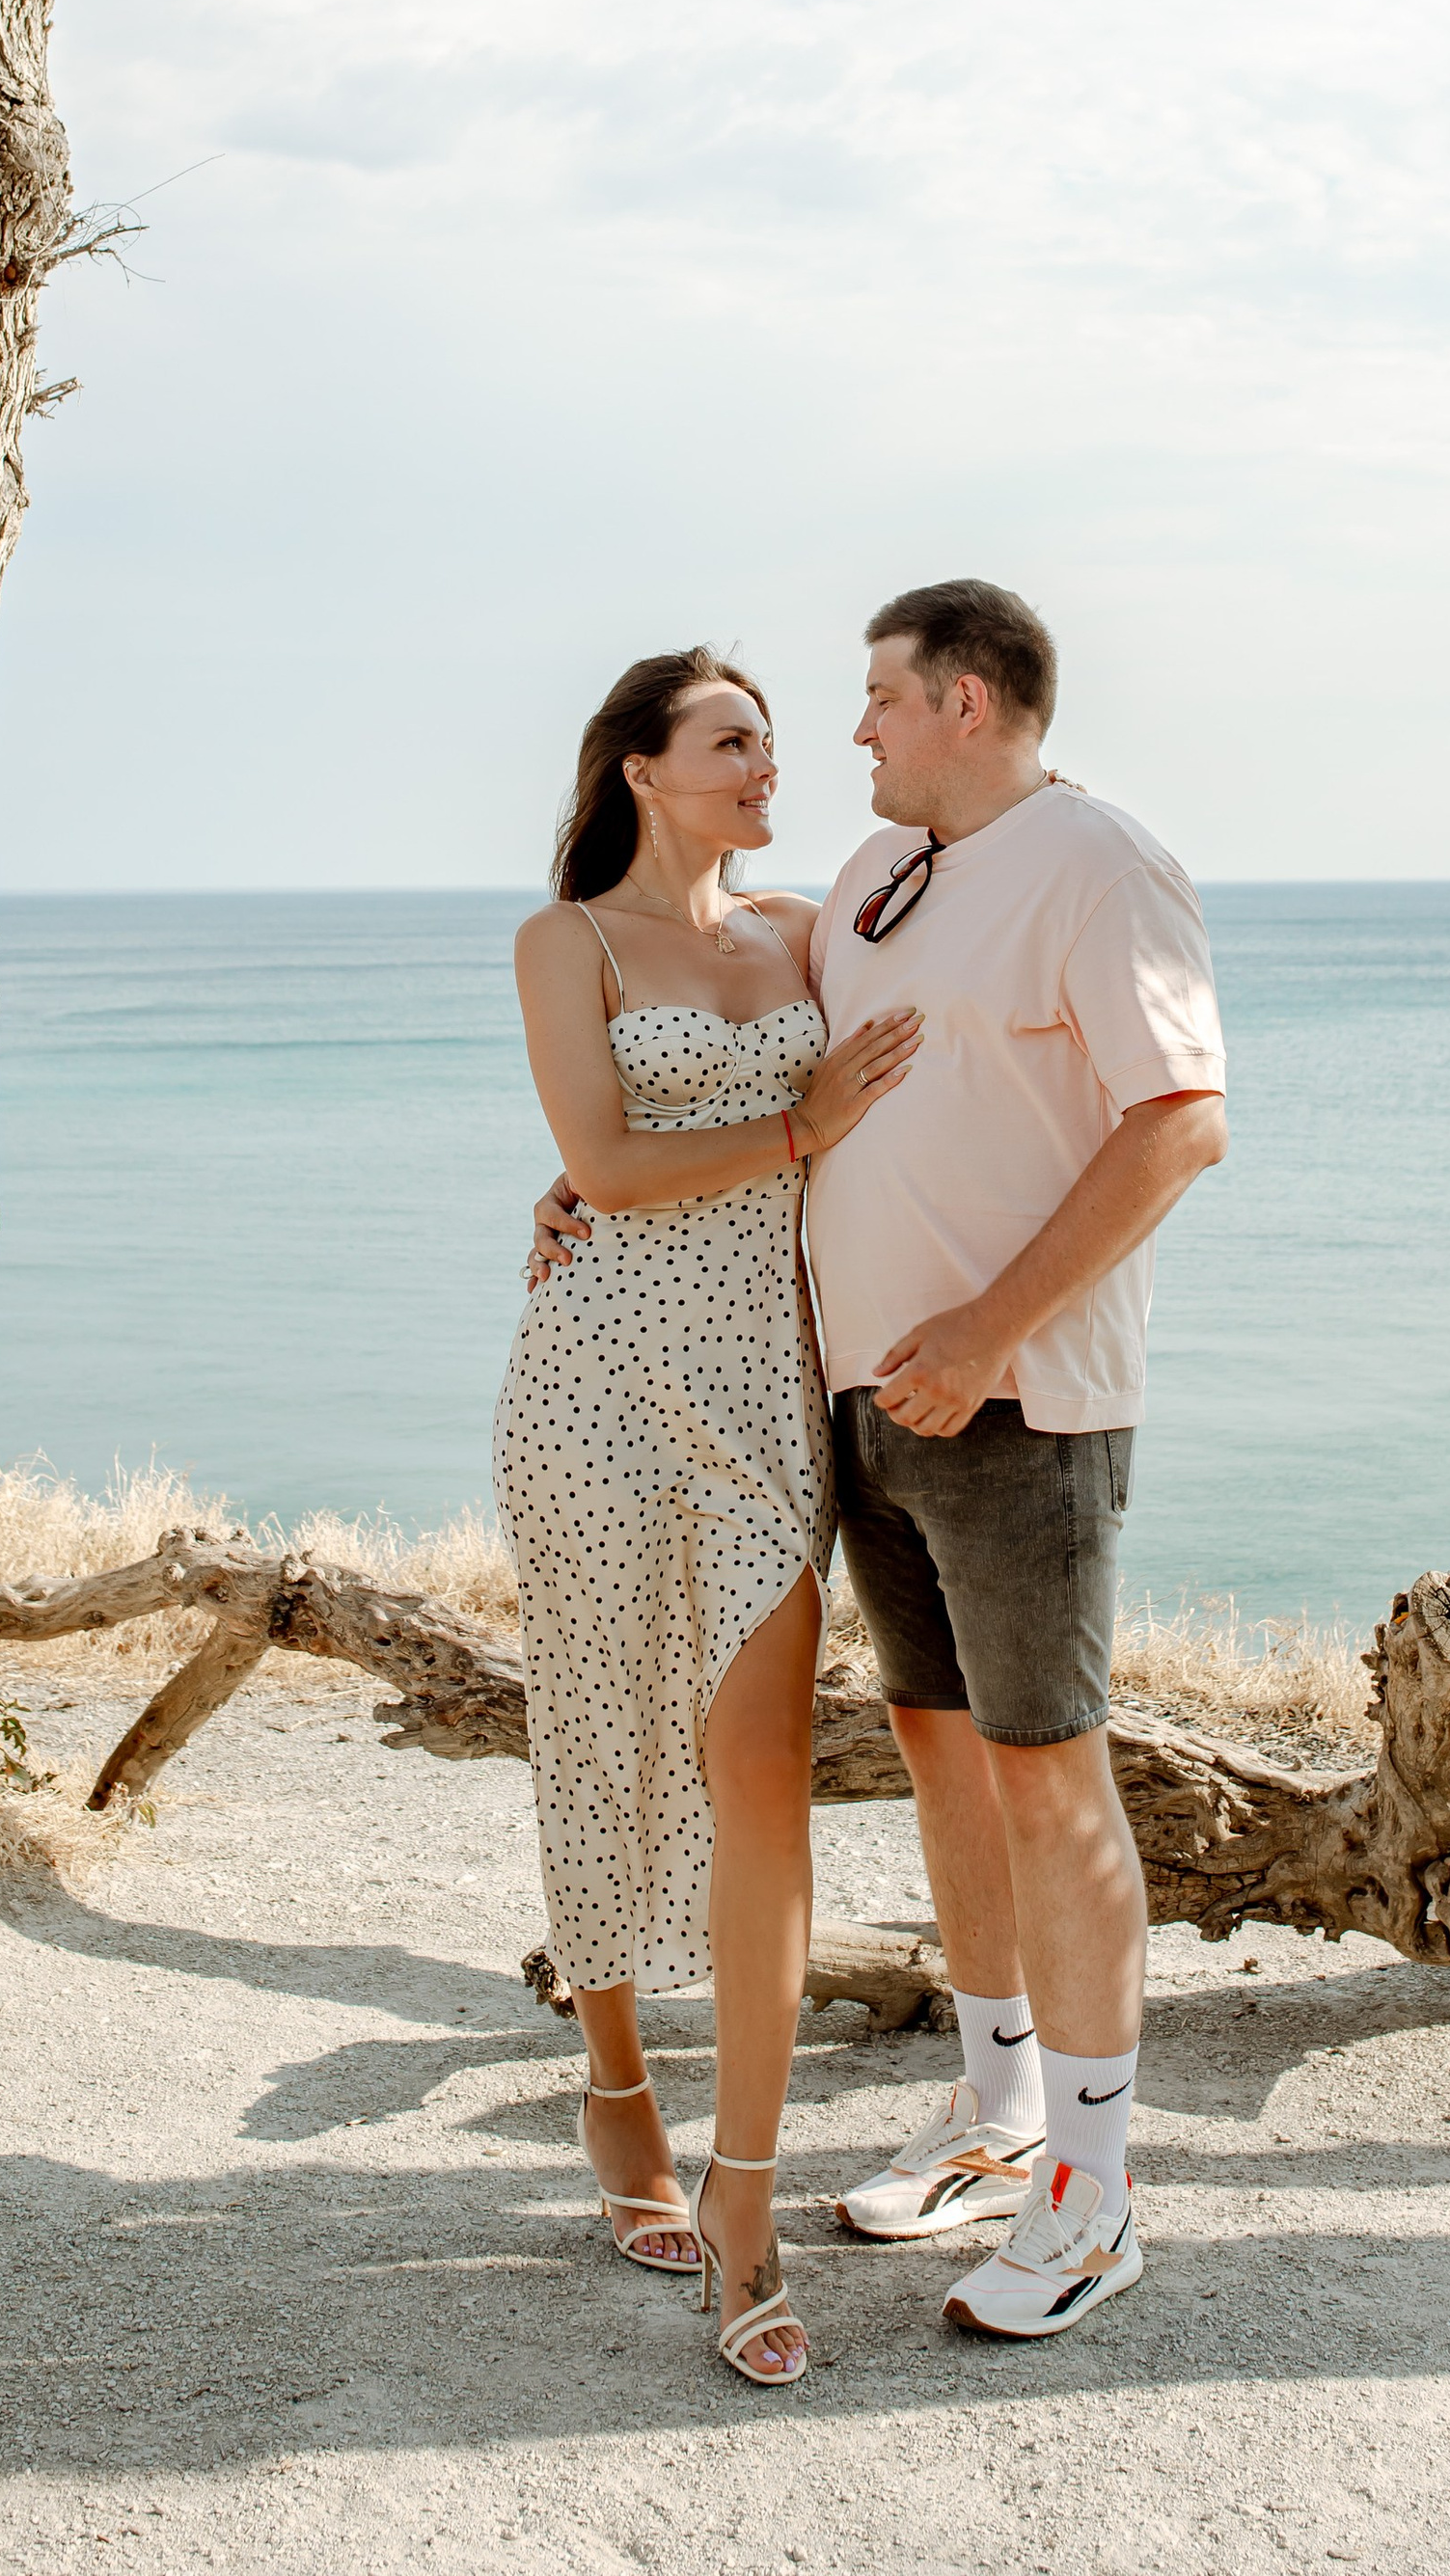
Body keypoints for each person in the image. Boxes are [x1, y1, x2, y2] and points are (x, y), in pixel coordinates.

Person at [532, 580, 1226, 2344]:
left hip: (1016, 1402)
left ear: (971, 703)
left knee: (1051, 1779)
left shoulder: (1100, 865)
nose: (850, 736)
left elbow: (1182, 1123)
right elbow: (734, 1070)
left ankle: (1091, 2196)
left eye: (879, 703)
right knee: (939, 1757)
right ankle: (998, 2119)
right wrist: (585, 1184)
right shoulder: (874, 881)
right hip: (847, 1402)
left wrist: (991, 1330)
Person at [496, 647, 921, 2388]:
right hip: (592, 1390)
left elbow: (898, 1081)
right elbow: (602, 1168)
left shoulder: (814, 925)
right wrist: (797, 1122)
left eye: (767, 741)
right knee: (599, 1734)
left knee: (764, 1788)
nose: (770, 763)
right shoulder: (569, 943)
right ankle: (616, 2084)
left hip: (761, 1397)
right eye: (734, 741)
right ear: (642, 767)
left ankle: (744, 2197)